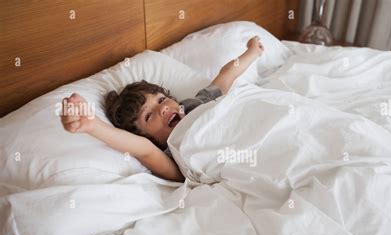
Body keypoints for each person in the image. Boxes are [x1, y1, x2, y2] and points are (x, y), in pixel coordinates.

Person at [60, 36, 264, 182]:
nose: (162, 109)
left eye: (161, 99)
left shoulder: (196, 104)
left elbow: (225, 77)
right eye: (148, 116)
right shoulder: (170, 154)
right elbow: (142, 149)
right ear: (151, 140)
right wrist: (92, 125)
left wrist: (252, 52)